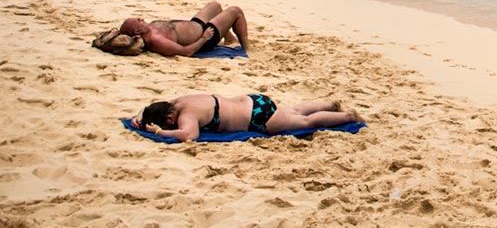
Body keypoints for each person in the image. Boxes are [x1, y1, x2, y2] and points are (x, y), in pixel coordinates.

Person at [130, 94, 362, 141]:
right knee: (295, 111)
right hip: (254, 101)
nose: (171, 124)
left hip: (258, 119)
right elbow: (152, 106)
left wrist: (158, 131)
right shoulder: (180, 101)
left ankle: (347, 116)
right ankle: (329, 104)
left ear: (170, 116)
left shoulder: (186, 115)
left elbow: (189, 135)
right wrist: (140, 115)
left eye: (168, 122)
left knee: (305, 122)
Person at [95, 1, 249, 57]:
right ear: (137, 32)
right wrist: (204, 38)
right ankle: (247, 47)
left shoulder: (149, 30)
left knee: (215, 6)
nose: (141, 18)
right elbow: (186, 52)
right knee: (235, 11)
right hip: (205, 36)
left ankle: (229, 38)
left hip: (195, 26)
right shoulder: (156, 40)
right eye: (138, 20)